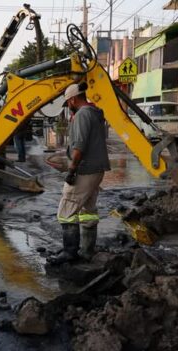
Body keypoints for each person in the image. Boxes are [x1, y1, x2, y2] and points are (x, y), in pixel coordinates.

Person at [47, 82, 110, 265]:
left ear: (73, 99)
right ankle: (87, 250)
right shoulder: (95, 113)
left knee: (66, 209)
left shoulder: (82, 115)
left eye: (68, 102)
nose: (68, 106)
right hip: (97, 169)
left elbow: (80, 146)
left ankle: (70, 252)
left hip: (85, 170)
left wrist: (72, 169)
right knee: (87, 210)